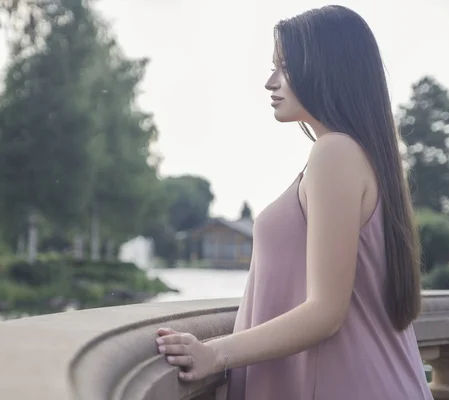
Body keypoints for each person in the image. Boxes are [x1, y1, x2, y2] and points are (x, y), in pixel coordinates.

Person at [154, 5, 434, 400]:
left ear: (327, 69)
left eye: (284, 67)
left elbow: (325, 312)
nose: (270, 81)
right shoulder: (360, 155)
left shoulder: (335, 153)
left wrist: (214, 353)